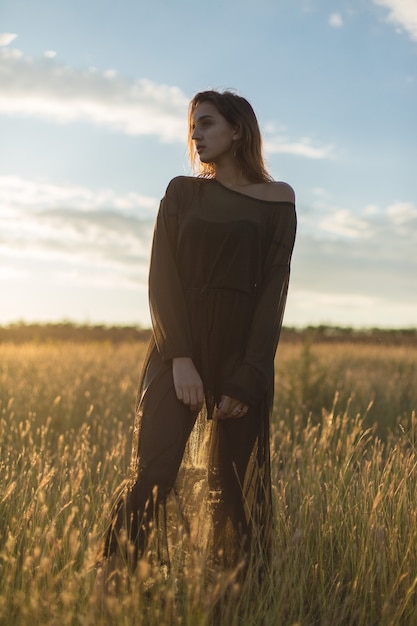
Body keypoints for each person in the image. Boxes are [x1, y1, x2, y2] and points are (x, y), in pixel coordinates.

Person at [100, 89, 297, 583]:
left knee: (231, 486)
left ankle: (236, 593)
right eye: (193, 127)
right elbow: (161, 279)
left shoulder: (278, 200)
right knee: (154, 472)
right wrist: (180, 358)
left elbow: (273, 294)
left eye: (207, 124)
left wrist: (248, 376)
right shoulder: (182, 192)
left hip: (241, 351)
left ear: (237, 130)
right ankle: (111, 577)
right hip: (179, 346)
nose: (196, 134)